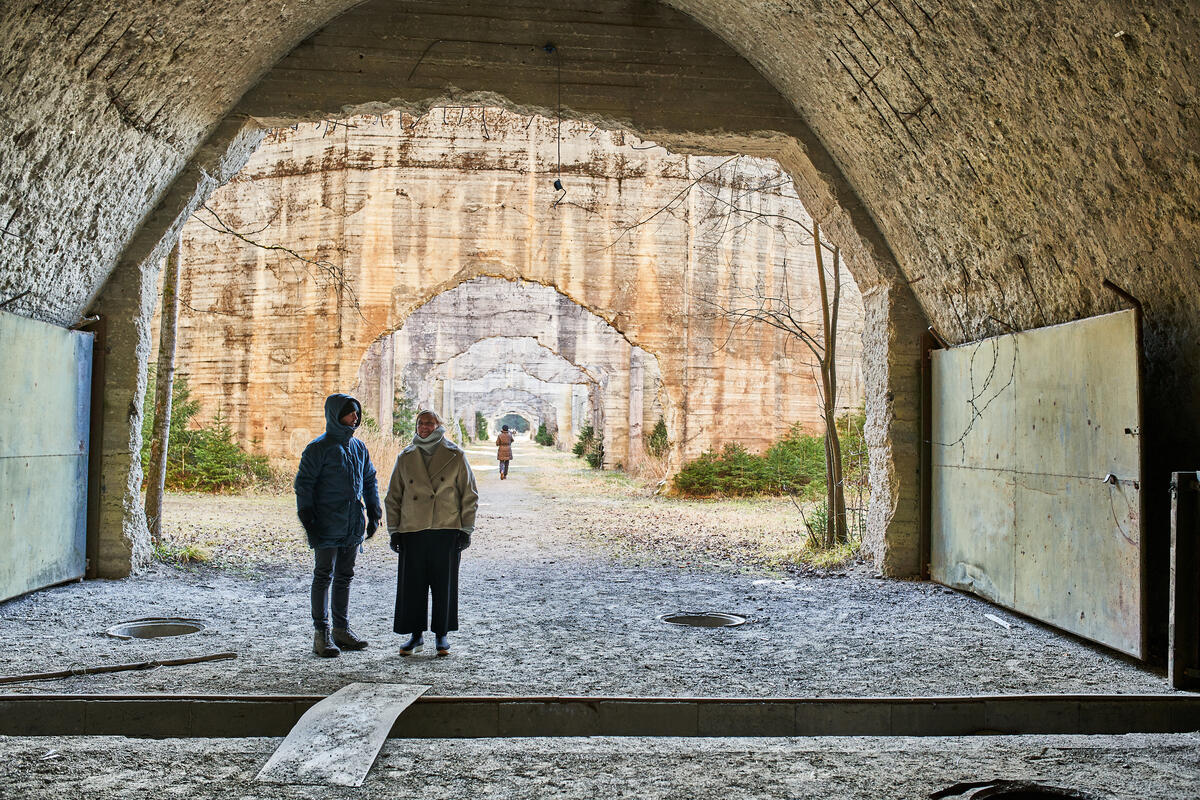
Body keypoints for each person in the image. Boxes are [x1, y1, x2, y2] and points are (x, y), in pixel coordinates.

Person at [294, 393, 381, 658]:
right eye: (350, 413)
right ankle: (321, 634)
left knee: (345, 576)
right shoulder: (318, 448)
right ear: (336, 415)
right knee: (323, 575)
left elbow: (369, 480)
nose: (355, 418)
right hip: (327, 522)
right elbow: (304, 485)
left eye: (357, 413)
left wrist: (374, 511)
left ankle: (341, 630)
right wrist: (308, 518)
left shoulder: (359, 447)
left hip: (352, 522)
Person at [385, 409, 478, 656]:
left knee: (443, 584)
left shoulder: (455, 455)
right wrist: (394, 530)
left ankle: (442, 634)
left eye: (429, 422)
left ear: (439, 426)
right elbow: (393, 496)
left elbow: (469, 495)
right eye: (420, 423)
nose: (424, 426)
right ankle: (415, 635)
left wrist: (466, 529)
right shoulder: (405, 457)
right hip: (413, 529)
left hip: (445, 528)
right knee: (412, 586)